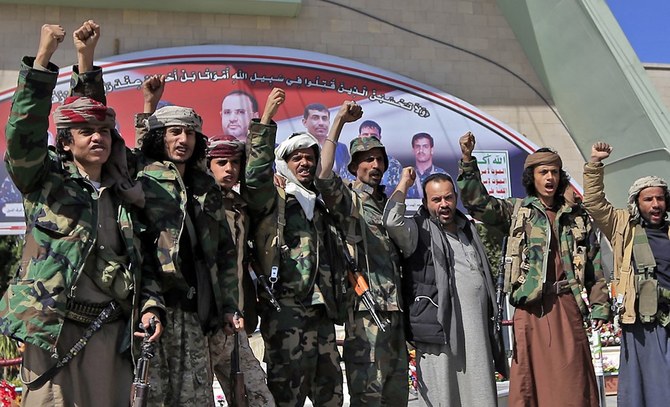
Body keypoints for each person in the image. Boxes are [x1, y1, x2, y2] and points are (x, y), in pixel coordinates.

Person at [0, 22, 163, 406]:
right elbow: (24, 135)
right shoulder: (46, 183)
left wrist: (150, 307)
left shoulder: (125, 193)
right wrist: (43, 60)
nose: (97, 137)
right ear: (66, 143)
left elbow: (145, 260)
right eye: (86, 131)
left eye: (104, 131)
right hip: (53, 334)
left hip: (111, 333)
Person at [457, 132, 610, 407]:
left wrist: (599, 305)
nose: (550, 178)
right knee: (531, 383)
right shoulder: (517, 211)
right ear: (532, 177)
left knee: (572, 382)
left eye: (554, 172)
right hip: (531, 310)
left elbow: (593, 263)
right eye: (543, 172)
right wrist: (468, 160)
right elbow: (478, 204)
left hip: (566, 305)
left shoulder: (575, 217)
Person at [136, 76, 240, 406]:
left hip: (196, 312)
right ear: (160, 137)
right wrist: (149, 105)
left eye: (190, 133)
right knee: (152, 397)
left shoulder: (205, 187)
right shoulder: (143, 177)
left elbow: (224, 253)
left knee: (196, 397)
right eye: (175, 132)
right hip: (154, 311)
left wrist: (229, 306)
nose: (184, 139)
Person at [244, 88, 345, 407]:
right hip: (285, 310)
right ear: (285, 163)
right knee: (286, 396)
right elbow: (254, 178)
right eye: (297, 157)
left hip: (321, 310)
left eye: (309, 157)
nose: (305, 162)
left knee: (331, 393)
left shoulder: (319, 203)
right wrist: (266, 119)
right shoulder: (274, 199)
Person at [383, 168, 505, 406]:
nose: (444, 205)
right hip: (438, 333)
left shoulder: (468, 230)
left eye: (448, 198)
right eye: (436, 199)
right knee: (444, 399)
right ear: (425, 202)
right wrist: (404, 183)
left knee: (480, 395)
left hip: (476, 333)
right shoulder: (417, 230)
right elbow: (391, 221)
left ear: (456, 198)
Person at [316, 101, 408, 407]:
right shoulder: (349, 200)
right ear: (355, 166)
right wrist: (339, 121)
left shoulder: (386, 204)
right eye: (368, 159)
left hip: (394, 311)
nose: (375, 165)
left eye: (379, 159)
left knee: (396, 395)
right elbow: (323, 175)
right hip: (366, 311)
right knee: (368, 395)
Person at [583, 142, 670, 407]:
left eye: (660, 198)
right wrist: (595, 164)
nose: (655, 204)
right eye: (648, 199)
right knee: (648, 388)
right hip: (642, 321)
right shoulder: (623, 226)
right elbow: (594, 203)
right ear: (636, 203)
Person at [206, 133, 276, 407]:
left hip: (234, 322)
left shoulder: (240, 207)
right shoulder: (198, 204)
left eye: (235, 163)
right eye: (221, 162)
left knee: (258, 397)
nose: (230, 169)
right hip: (204, 322)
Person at [343, 120, 402, 191]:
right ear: (359, 136)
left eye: (373, 136)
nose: (369, 138)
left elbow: (399, 190)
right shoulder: (348, 164)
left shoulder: (394, 164)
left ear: (380, 137)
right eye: (365, 135)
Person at [302, 103, 350, 179]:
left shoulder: (341, 147)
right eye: (315, 118)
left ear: (329, 122)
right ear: (304, 122)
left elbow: (347, 174)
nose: (321, 123)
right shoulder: (301, 147)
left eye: (324, 118)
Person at [407, 132, 449, 199]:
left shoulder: (443, 176)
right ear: (413, 150)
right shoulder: (406, 177)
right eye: (417, 146)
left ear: (432, 150)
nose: (421, 150)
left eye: (425, 146)